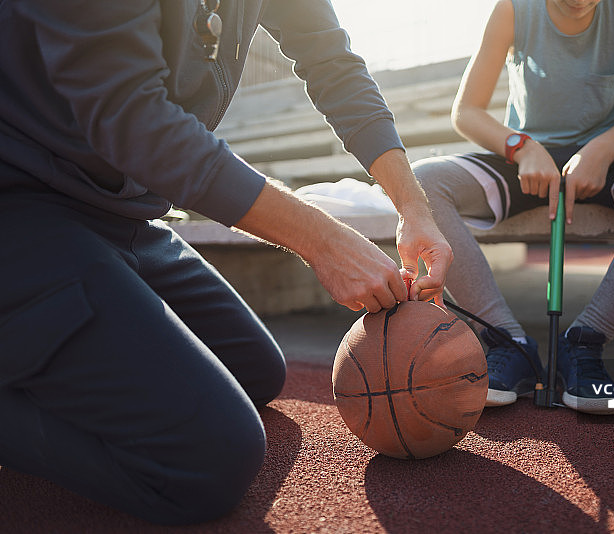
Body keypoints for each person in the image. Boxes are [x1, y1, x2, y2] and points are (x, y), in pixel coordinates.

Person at [0, 0, 452, 526]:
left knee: (254, 369)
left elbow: (332, 61)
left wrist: (413, 208)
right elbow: (133, 119)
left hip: (117, 213)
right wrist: (326, 244)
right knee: (208, 460)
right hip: (19, 208)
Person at [413, 0, 614, 413]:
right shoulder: (512, 8)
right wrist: (520, 147)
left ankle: (583, 343)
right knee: (421, 179)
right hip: (530, 160)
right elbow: (466, 112)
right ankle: (508, 344)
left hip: (610, 155)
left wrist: (601, 149)